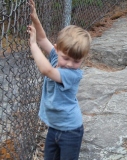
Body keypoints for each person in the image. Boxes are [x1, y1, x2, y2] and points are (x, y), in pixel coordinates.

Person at [27, 0, 92, 159]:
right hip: (54, 127)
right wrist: (35, 17)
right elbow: (43, 39)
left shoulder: (73, 74)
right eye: (66, 58)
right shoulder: (56, 56)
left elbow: (46, 70)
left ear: (82, 59)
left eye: (77, 61)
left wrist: (33, 45)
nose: (70, 64)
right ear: (56, 49)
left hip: (71, 131)